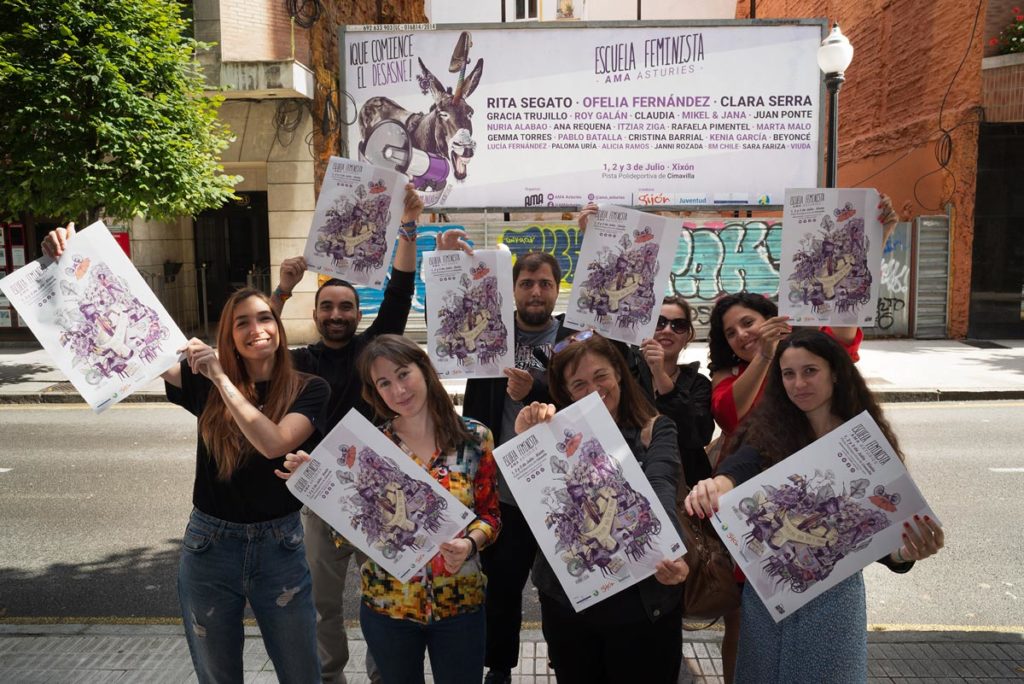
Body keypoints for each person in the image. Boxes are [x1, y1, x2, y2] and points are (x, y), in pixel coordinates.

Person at [42, 230, 329, 682]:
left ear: (277, 323)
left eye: (264, 319)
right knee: (217, 673)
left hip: (281, 547)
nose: (256, 330)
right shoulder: (203, 382)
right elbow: (126, 337)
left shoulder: (309, 387)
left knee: (302, 671)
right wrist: (68, 267)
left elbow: (275, 443)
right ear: (229, 336)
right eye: (241, 324)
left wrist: (219, 376)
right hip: (210, 546)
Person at [272, 184, 470, 684]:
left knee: (388, 597)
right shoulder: (298, 365)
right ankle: (330, 677)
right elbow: (258, 347)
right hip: (321, 499)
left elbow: (401, 287)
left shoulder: (371, 355)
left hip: (385, 496)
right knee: (321, 605)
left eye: (346, 306)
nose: (336, 314)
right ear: (315, 314)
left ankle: (387, 676)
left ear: (358, 314)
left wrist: (408, 224)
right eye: (327, 307)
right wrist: (282, 290)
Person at [684, 329, 944, 683]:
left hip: (835, 603)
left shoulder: (864, 442)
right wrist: (718, 484)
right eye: (788, 374)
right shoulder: (770, 429)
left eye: (810, 371)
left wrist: (906, 552)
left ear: (835, 372)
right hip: (772, 595)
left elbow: (881, 538)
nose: (798, 383)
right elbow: (740, 466)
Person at [278, 334, 500, 684]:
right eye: (384, 383)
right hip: (388, 608)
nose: (398, 390)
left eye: (403, 374)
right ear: (374, 392)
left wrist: (470, 544)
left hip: (461, 606)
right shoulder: (368, 449)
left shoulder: (474, 439)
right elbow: (345, 533)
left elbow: (490, 516)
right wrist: (323, 482)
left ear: (424, 370)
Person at [515, 331, 689, 684]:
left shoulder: (654, 428)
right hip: (570, 603)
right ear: (565, 392)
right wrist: (527, 440)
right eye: (579, 384)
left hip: (643, 603)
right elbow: (536, 506)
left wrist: (668, 550)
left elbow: (661, 485)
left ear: (620, 375)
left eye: (601, 377)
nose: (594, 390)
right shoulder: (553, 435)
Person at [461, 251, 562, 684]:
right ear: (513, 289)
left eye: (544, 283)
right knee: (502, 588)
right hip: (503, 492)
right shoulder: (489, 337)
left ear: (558, 289)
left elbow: (596, 392)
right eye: (527, 283)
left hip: (562, 491)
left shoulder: (574, 340)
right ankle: (498, 667)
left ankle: (567, 661)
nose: (536, 291)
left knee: (563, 589)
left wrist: (536, 385)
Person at [639, 295, 714, 487]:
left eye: (678, 325)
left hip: (686, 485)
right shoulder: (630, 377)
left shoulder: (699, 384)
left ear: (688, 335)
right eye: (659, 322)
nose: (667, 330)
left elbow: (698, 436)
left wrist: (659, 373)